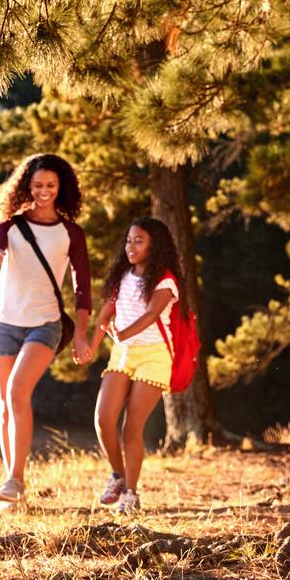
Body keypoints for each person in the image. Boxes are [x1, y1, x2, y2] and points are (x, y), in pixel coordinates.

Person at [0, 154, 91, 504]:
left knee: (17, 392)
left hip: (45, 324)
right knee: (4, 404)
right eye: (38, 185)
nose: (44, 192)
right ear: (27, 185)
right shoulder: (10, 225)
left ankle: (15, 480)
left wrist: (83, 335)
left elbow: (82, 288)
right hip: (4, 322)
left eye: (51, 186)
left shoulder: (71, 233)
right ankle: (12, 481)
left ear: (62, 189)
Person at [86, 216, 185, 515]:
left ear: (154, 246)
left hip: (155, 355)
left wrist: (123, 332)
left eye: (139, 241)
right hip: (123, 354)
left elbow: (153, 314)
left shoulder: (165, 280)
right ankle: (117, 476)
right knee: (103, 419)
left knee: (132, 427)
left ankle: (131, 493)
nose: (131, 246)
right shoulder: (122, 277)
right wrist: (89, 347)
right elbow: (105, 316)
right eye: (129, 240)